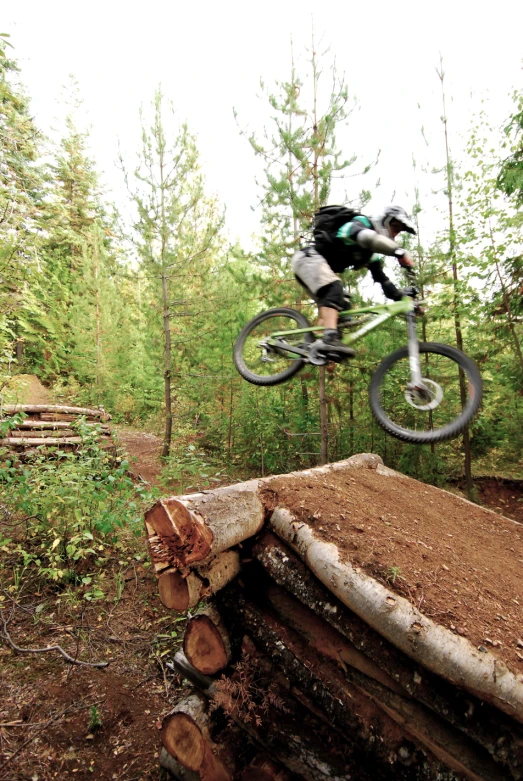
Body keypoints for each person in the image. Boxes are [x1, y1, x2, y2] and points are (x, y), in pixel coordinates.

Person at [292, 205, 416, 358]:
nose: (395, 233)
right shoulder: (360, 223)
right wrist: (398, 251)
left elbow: (384, 282)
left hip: (311, 267)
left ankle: (313, 344)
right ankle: (330, 338)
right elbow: (366, 237)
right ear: (384, 220)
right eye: (394, 226)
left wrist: (405, 300)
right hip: (307, 259)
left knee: (342, 306)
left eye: (399, 231)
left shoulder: (371, 255)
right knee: (334, 288)